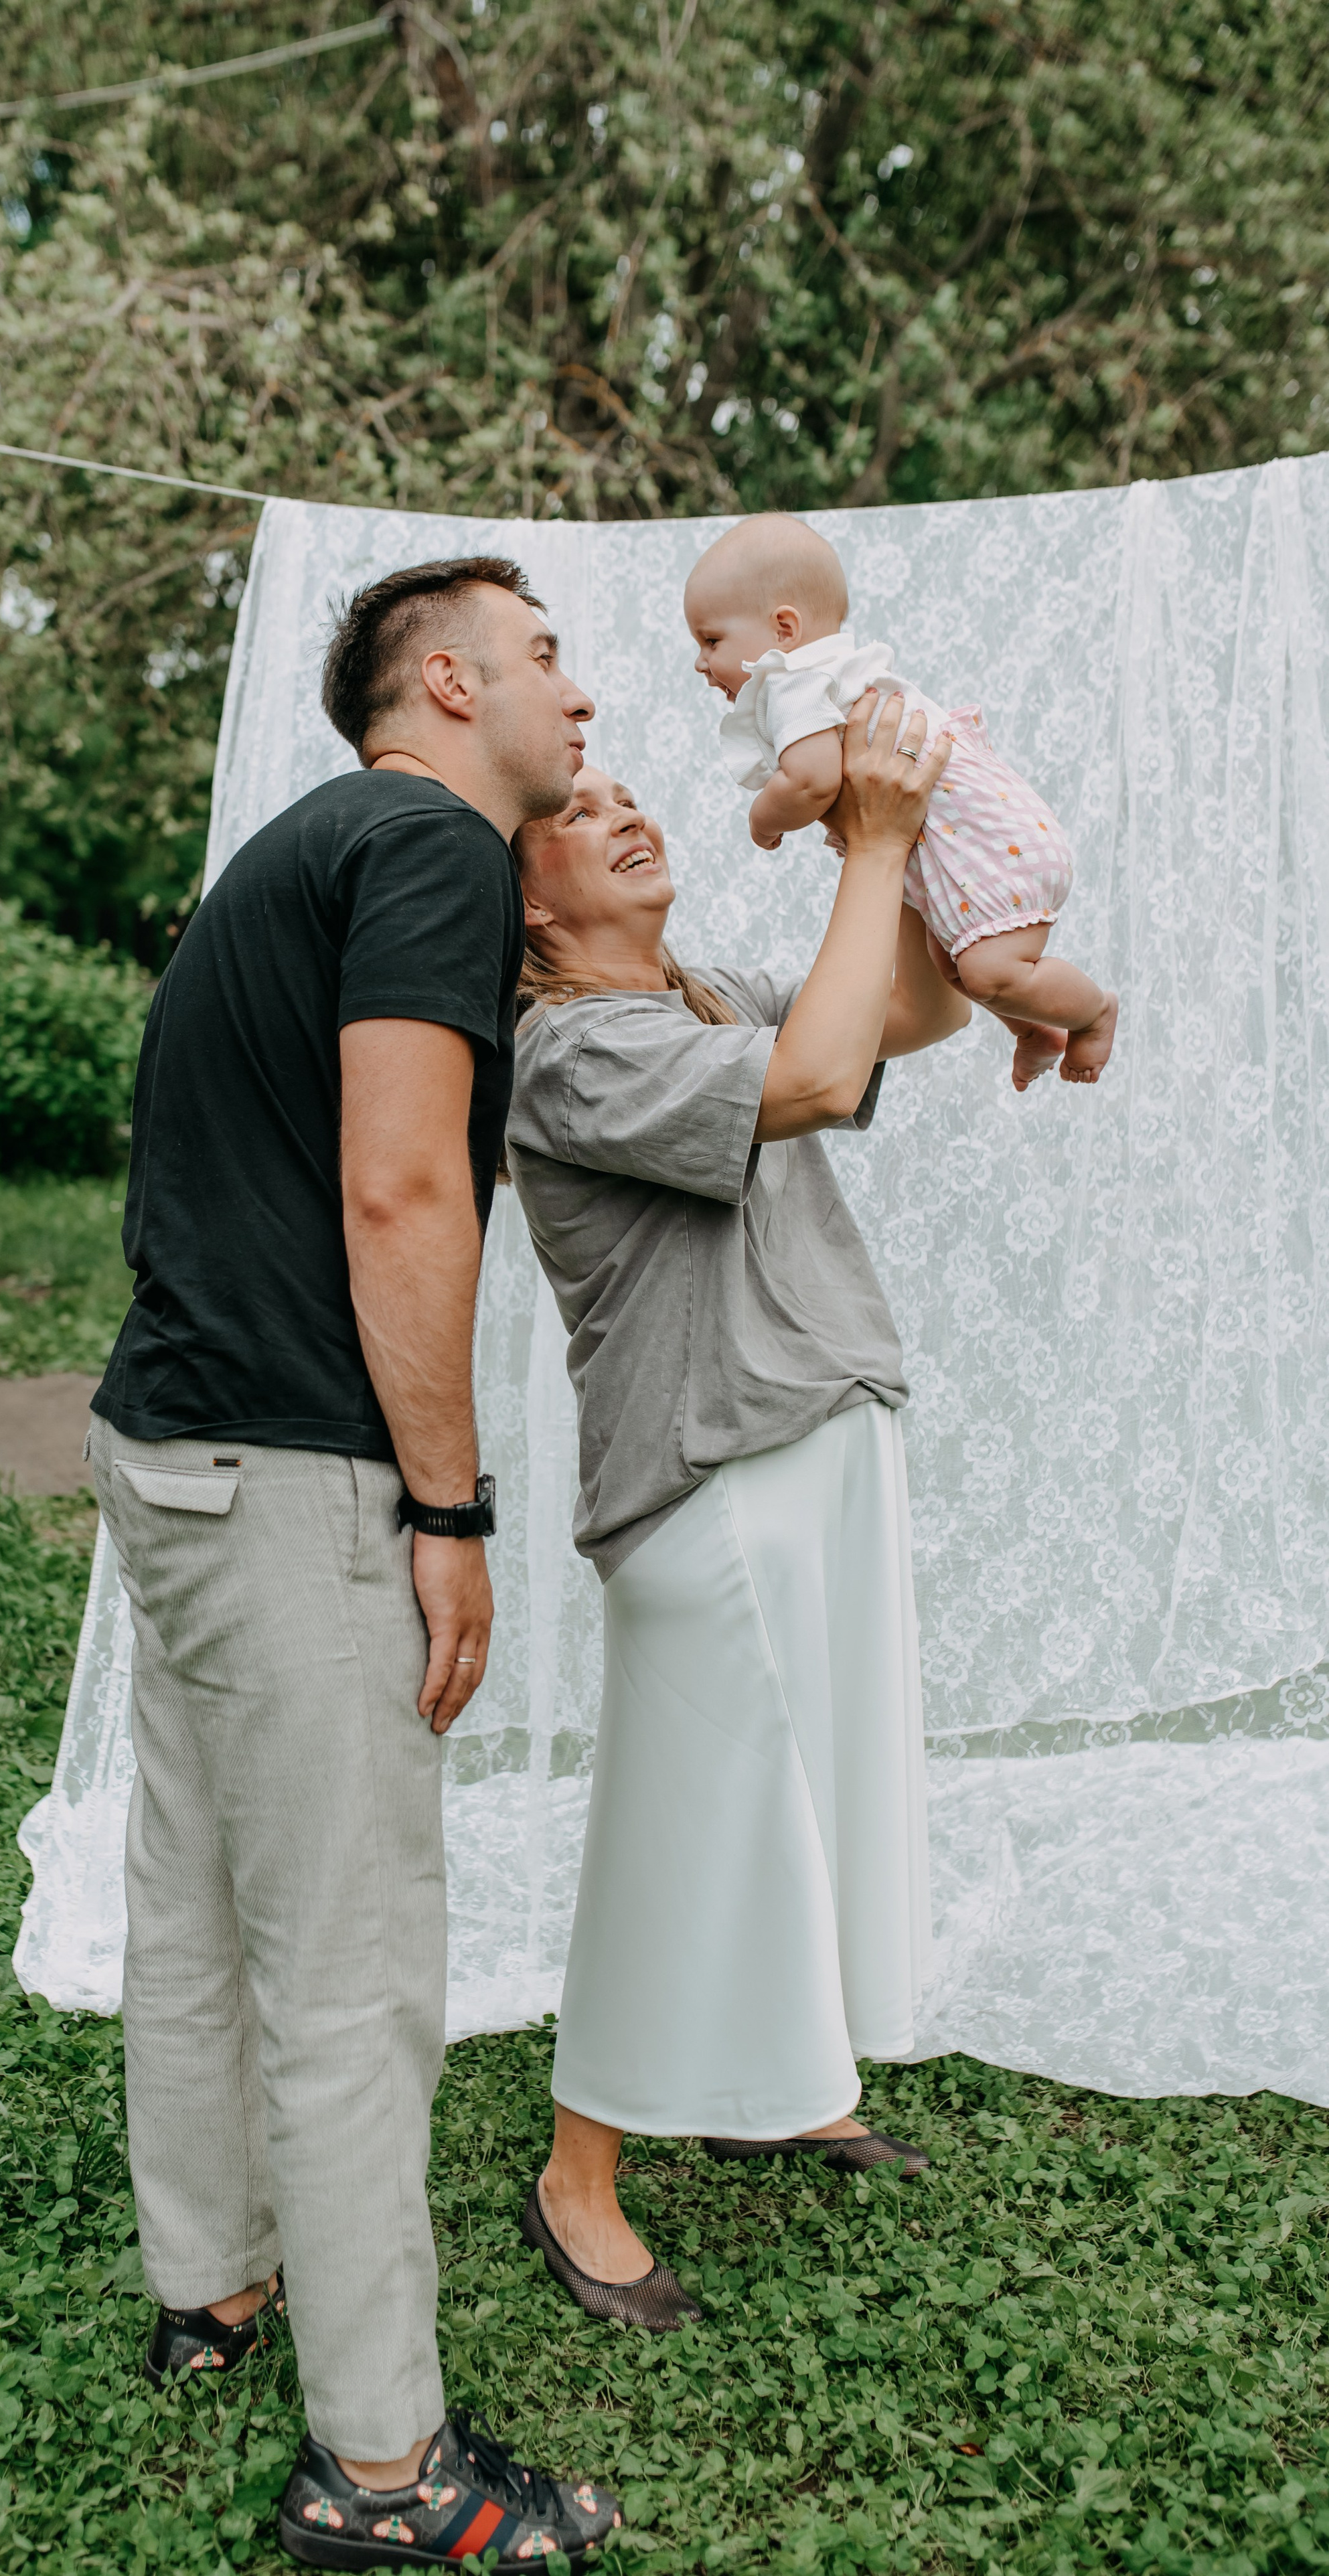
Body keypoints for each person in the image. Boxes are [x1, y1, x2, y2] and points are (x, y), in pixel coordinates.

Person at [88, 556, 623, 2568]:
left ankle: (213, 2280)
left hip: (174, 1443)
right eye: (551, 656)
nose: (579, 693)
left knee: (199, 1902)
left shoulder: (307, 842)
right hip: (292, 1470)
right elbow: (401, 1178)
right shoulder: (426, 841)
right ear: (446, 676)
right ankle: (386, 2470)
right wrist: (452, 1509)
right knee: (354, 1969)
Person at [502, 711, 969, 2331]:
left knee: (814, 1796)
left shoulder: (697, 989)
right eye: (579, 812)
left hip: (816, 1428)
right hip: (703, 1475)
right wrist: (870, 844)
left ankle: (778, 2076)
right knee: (683, 1830)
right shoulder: (568, 1047)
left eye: (631, 791)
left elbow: (907, 1007)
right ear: (531, 907)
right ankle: (575, 2176)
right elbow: (819, 1073)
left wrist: (872, 826)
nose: (623, 810)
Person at [684, 511, 1118, 1090]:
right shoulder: (831, 675)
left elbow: (811, 781)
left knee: (988, 971)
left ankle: (1094, 1013)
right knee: (956, 968)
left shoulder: (795, 681)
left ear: (783, 629)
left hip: (992, 846)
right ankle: (1034, 1028)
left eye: (710, 640)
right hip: (962, 848)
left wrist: (764, 816)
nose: (699, 662)